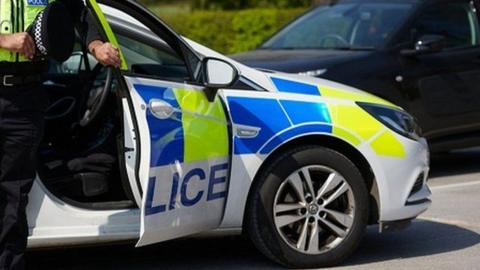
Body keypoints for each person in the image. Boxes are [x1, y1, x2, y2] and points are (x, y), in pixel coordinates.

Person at [0, 1, 120, 269]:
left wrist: (96, 46)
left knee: (13, 196)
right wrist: (3, 40)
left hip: (26, 99)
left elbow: (79, 11)